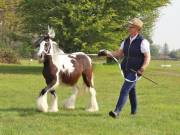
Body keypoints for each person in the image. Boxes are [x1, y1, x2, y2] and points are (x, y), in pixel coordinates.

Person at [104, 18, 151, 118]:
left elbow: (147, 57)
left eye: (131, 26)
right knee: (131, 90)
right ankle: (134, 112)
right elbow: (119, 53)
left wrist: (142, 69)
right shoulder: (125, 41)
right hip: (125, 69)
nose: (129, 28)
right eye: (129, 26)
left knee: (125, 89)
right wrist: (107, 53)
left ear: (137, 28)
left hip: (135, 71)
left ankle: (116, 111)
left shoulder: (143, 42)